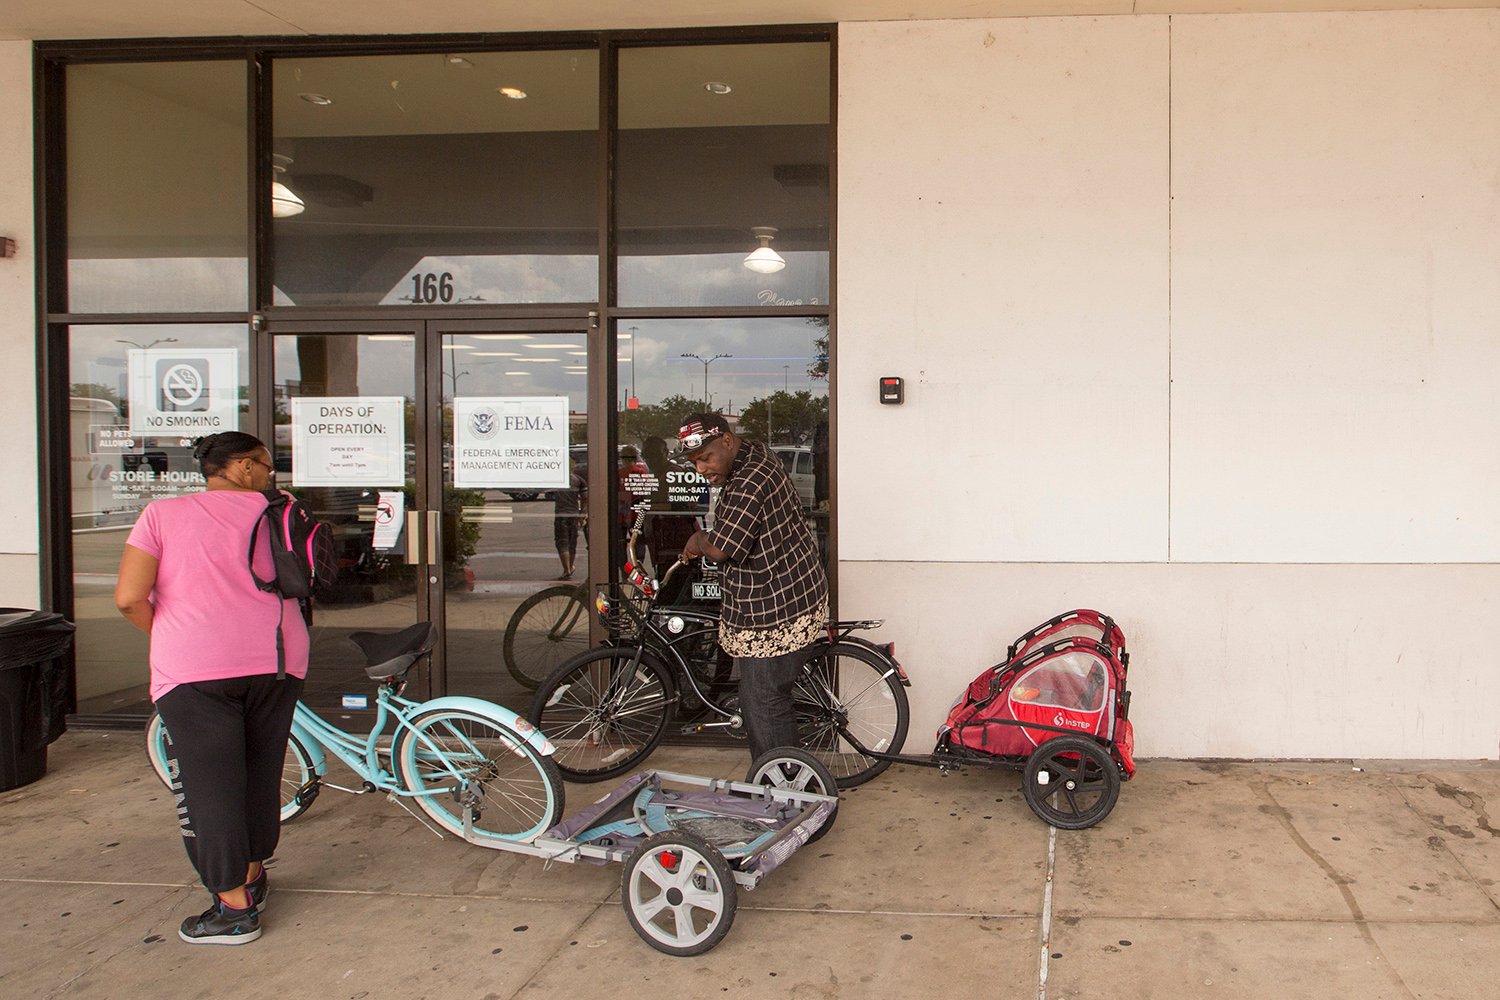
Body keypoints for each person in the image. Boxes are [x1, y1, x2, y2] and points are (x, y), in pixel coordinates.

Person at [114, 431, 309, 946]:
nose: (271, 475)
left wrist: (177, 635)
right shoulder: (280, 512)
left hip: (196, 668)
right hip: (279, 659)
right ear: (242, 467)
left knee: (210, 786)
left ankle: (233, 909)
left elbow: (130, 598)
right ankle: (251, 874)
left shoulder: (162, 516)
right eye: (266, 465)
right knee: (260, 770)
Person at [676, 412, 828, 761]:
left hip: (775, 607)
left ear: (727, 441)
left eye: (705, 458)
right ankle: (777, 776)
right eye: (694, 462)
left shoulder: (750, 479)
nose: (700, 468)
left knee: (765, 702)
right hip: (785, 592)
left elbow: (722, 549)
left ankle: (785, 787)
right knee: (761, 697)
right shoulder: (754, 453)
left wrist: (698, 539)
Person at [552, 456, 587, 579]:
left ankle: (566, 569)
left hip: (561, 514)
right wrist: (582, 514)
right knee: (572, 543)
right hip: (573, 514)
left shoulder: (557, 480)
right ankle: (570, 566)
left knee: (562, 542)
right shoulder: (579, 480)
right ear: (573, 466)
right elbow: (585, 498)